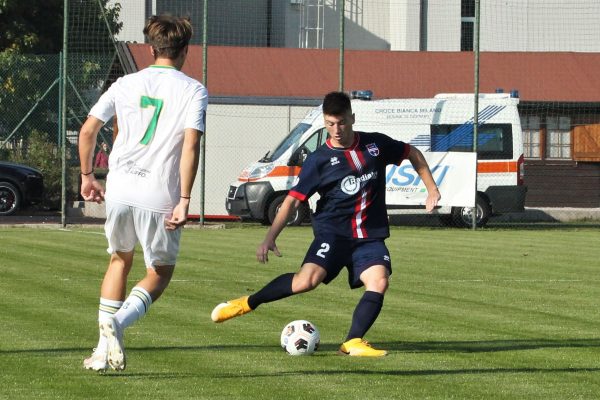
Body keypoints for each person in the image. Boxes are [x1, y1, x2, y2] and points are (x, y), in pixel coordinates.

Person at [211, 91, 440, 357]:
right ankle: (247, 303)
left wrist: (431, 189)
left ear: (352, 118)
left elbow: (412, 153)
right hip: (333, 234)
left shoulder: (375, 145)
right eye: (330, 124)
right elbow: (293, 202)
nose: (336, 129)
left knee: (379, 281)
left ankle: (353, 341)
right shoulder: (318, 160)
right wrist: (270, 237)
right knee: (306, 281)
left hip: (369, 236)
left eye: (341, 122)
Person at [78, 15, 208, 371]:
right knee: (160, 272)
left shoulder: (124, 83)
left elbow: (88, 132)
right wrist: (184, 200)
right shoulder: (193, 90)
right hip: (158, 194)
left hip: (119, 188)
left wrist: (88, 176)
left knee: (119, 259)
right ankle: (116, 324)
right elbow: (190, 146)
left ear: (151, 49)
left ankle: (102, 352)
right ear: (185, 50)